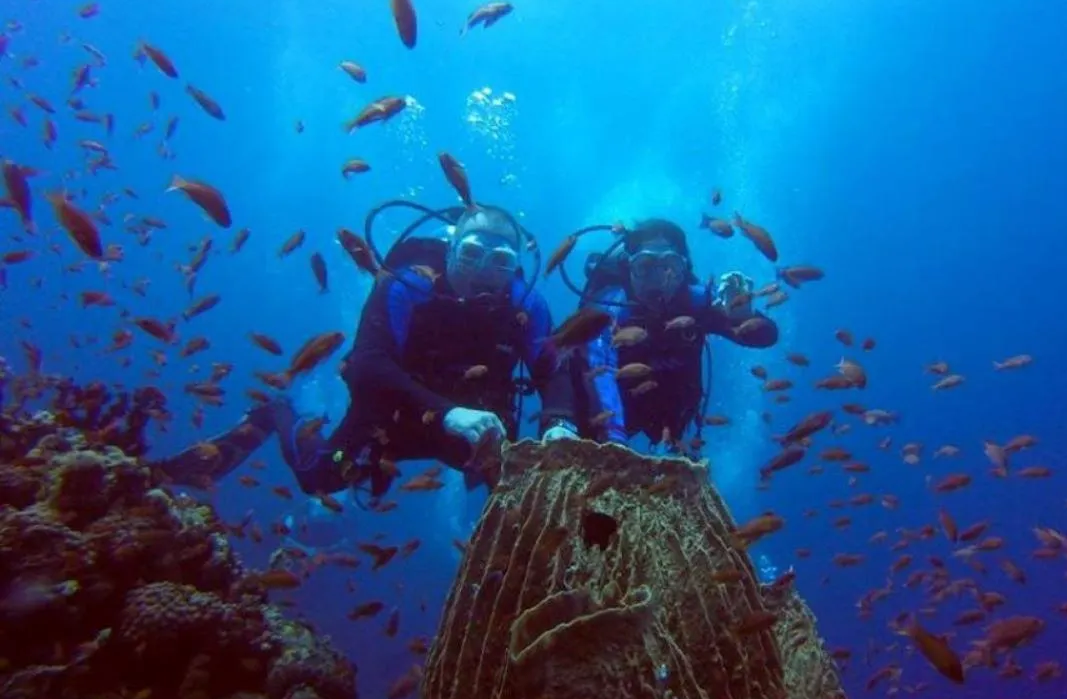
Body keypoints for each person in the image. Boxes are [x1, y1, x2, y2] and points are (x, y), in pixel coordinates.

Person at [157, 204, 578, 499]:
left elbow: (554, 369)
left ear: (515, 266)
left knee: (519, 496)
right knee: (319, 477)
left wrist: (560, 424)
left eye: (500, 261)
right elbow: (367, 366)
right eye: (470, 254)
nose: (483, 271)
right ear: (450, 250)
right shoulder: (408, 286)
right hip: (391, 416)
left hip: (477, 429)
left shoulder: (526, 305)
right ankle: (277, 413)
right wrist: (447, 412)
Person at [571, 218, 777, 448]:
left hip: (673, 417)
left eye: (670, 265)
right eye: (645, 265)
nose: (658, 278)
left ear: (683, 270)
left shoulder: (695, 302)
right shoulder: (612, 307)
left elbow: (767, 337)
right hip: (612, 412)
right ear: (628, 269)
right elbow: (597, 368)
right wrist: (614, 440)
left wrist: (742, 316)